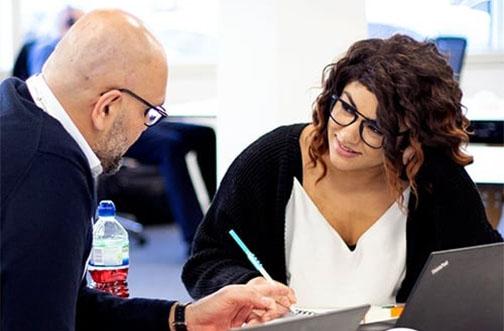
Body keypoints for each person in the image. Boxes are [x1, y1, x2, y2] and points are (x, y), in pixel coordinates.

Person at [0, 9, 294, 331]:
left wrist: (184, 318)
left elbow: (63, 303)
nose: (145, 128)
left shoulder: (17, 110)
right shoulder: (48, 174)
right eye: (149, 114)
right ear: (107, 107)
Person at [182, 34, 503, 308]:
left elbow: (484, 272)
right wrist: (246, 284)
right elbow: (207, 259)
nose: (347, 135)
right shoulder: (272, 160)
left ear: (412, 138)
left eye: (376, 129)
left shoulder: (430, 177)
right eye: (346, 108)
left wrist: (439, 172)